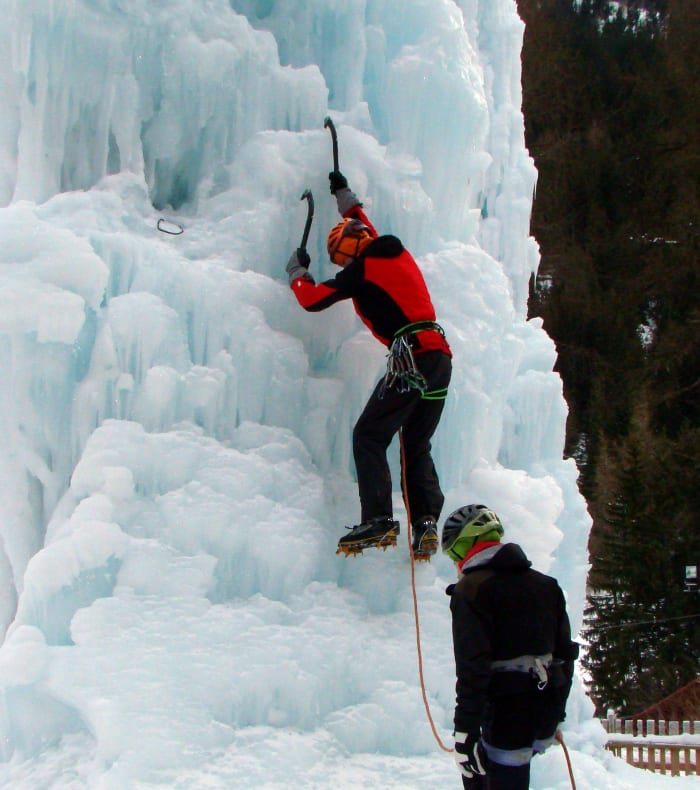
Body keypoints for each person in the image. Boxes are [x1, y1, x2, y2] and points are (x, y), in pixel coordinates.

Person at [285, 170, 452, 558]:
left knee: (369, 435)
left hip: (411, 359)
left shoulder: (362, 270)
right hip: (439, 359)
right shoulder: (392, 251)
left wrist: (297, 273)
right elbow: (361, 221)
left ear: (351, 249)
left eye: (342, 257)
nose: (343, 265)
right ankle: (425, 524)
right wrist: (343, 194)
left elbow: (312, 299)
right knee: (415, 443)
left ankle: (378, 519)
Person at [441, 504, 579, 789]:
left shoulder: (471, 589)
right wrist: (557, 713)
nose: (455, 563)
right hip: (542, 712)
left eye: (454, 554)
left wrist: (465, 730)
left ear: (466, 545)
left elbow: (473, 668)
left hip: (503, 718)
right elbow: (565, 654)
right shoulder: (547, 585)